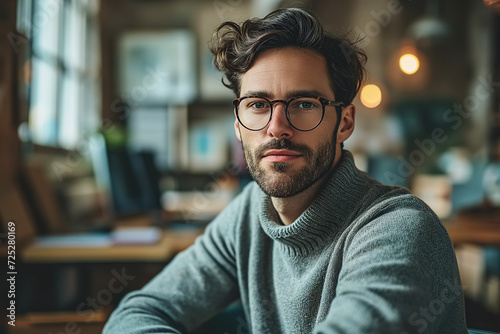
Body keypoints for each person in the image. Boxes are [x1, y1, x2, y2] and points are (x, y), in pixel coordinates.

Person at [104, 8, 467, 334]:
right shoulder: (248, 215)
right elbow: (137, 313)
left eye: (304, 103)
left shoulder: (398, 229)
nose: (277, 126)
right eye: (258, 104)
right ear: (238, 123)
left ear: (344, 122)